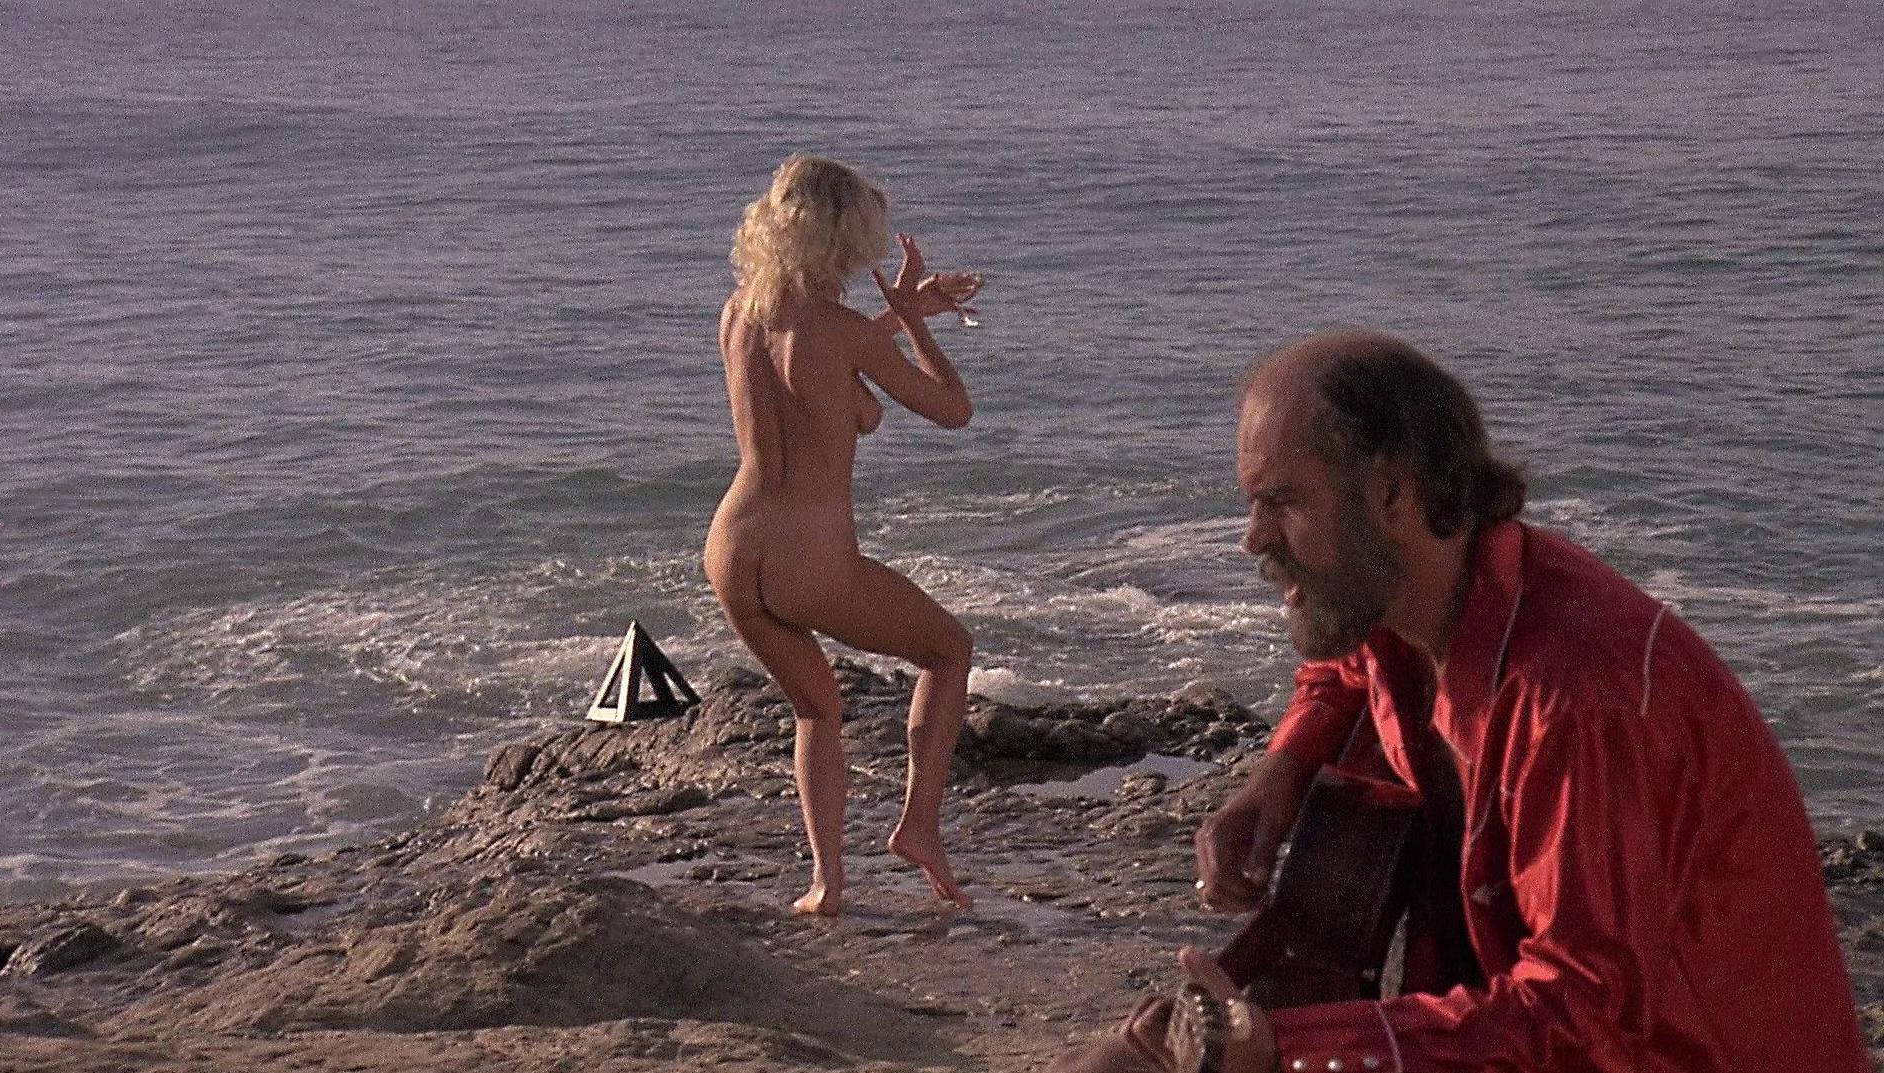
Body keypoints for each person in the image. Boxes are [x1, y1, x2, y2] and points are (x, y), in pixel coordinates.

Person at [1053, 329, 1868, 1071]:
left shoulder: (1576, 699)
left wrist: (1283, 1046)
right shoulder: (1416, 610)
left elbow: (1584, 1012)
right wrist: (1283, 769)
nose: (1253, 536)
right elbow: (1344, 670)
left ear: (1393, 494)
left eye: (1283, 501)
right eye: (1252, 502)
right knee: (1112, 1064)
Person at [703, 154, 984, 916]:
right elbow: (952, 408)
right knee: (948, 650)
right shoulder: (845, 331)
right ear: (844, 240)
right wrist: (913, 319)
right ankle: (918, 825)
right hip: (810, 555)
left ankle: (826, 882)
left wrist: (892, 320)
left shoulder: (738, 313)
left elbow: (823, 381)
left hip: (734, 545)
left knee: (817, 707)